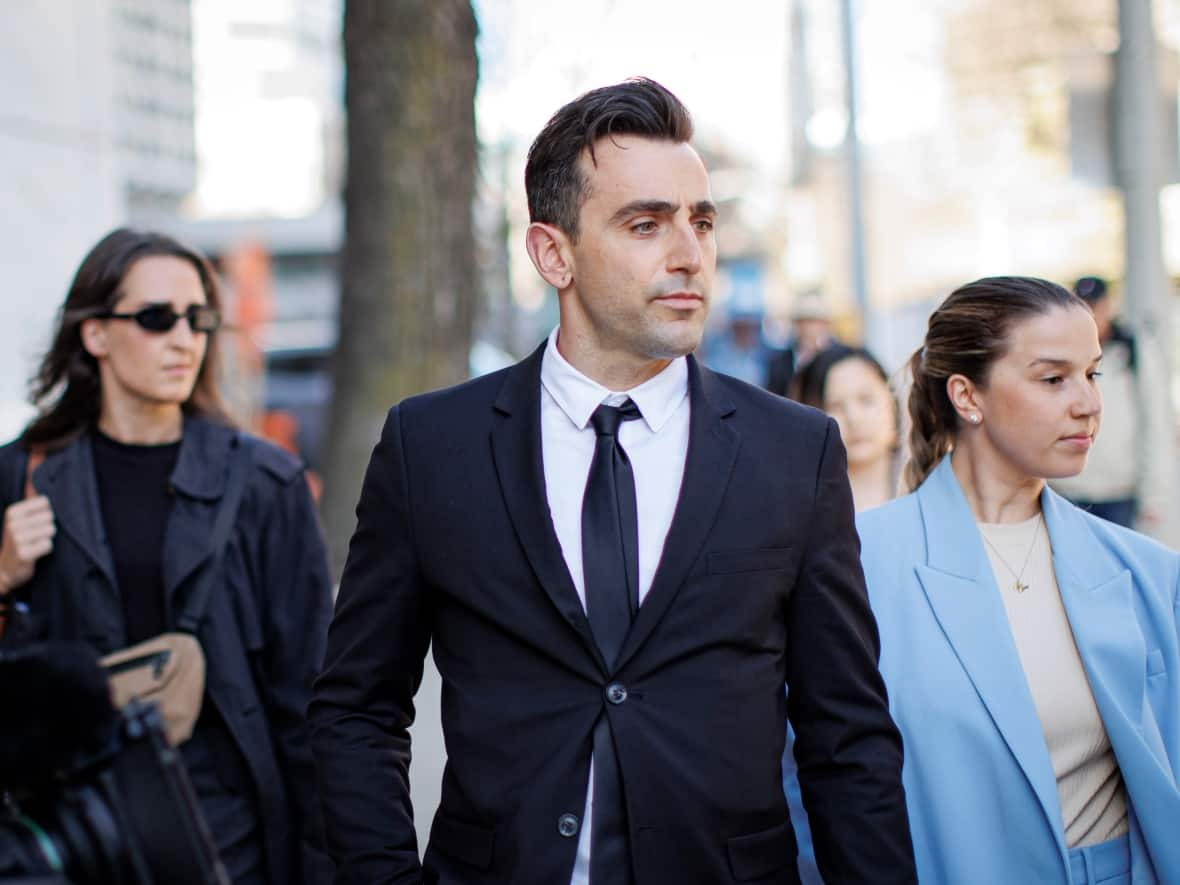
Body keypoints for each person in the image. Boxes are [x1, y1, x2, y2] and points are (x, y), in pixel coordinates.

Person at [309, 78, 915, 885]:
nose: (689, 253)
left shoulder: (793, 451)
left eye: (700, 221)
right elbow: (356, 706)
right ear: (552, 253)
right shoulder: (432, 446)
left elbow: (847, 735)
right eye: (645, 224)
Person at [0, 229, 334, 885]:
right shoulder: (19, 475)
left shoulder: (266, 484)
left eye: (199, 319)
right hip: (74, 836)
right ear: (95, 334)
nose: (184, 338)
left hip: (228, 839)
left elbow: (310, 698)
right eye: (157, 318)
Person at [856, 276, 1180, 883]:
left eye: (1093, 373)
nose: (1087, 402)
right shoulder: (863, 566)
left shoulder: (1149, 575)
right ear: (966, 395)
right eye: (1053, 379)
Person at [1051, 276, 1174, 541]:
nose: (1092, 314)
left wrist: (1155, 494)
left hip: (1118, 489)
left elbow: (1155, 422)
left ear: (1108, 305)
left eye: (1096, 305)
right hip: (1067, 487)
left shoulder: (1135, 351)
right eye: (1083, 306)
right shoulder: (1056, 353)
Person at [793, 347, 899, 512]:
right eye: (835, 406)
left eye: (866, 400)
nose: (853, 418)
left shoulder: (928, 485)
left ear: (892, 401)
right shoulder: (798, 506)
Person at [765, 291, 844, 398]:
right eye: (802, 322)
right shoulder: (779, 362)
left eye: (813, 321)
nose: (808, 328)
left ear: (825, 324)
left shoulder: (840, 358)